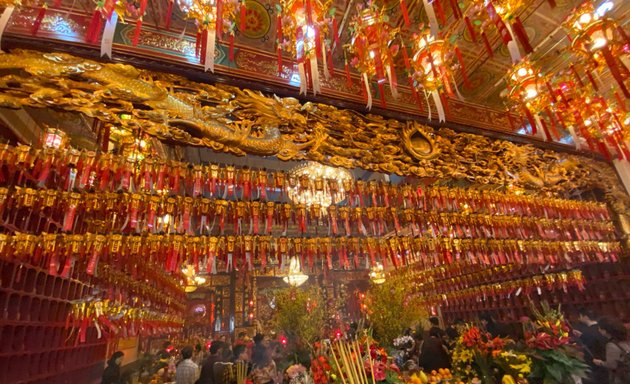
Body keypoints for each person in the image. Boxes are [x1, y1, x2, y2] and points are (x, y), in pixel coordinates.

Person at [573, 308, 608, 384]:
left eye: (580, 316)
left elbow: (589, 344)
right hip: (607, 361)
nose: (579, 319)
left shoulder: (587, 332)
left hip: (595, 363)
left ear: (586, 317)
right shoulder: (603, 328)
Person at [593, 316, 630, 384]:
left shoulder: (611, 345)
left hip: (622, 378)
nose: (598, 330)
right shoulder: (625, 339)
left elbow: (612, 365)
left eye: (599, 328)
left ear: (604, 331)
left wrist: (600, 362)